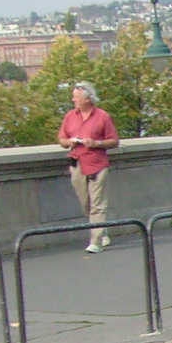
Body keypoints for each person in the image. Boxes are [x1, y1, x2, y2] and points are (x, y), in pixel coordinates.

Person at [57, 81, 120, 253]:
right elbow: (61, 139)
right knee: (86, 203)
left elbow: (114, 141)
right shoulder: (70, 116)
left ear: (87, 99)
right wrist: (69, 142)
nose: (73, 99)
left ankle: (96, 241)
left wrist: (96, 143)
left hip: (97, 164)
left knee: (98, 204)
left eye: (76, 97)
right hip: (77, 164)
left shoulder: (102, 117)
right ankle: (102, 228)